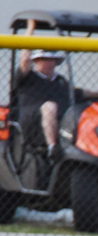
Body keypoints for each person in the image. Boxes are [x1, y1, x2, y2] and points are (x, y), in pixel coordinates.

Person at [14, 20, 72, 159]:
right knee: (50, 107)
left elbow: (82, 93)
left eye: (51, 59)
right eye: (43, 59)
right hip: (33, 122)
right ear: (36, 61)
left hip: (61, 121)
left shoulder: (61, 81)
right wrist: (30, 29)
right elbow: (24, 59)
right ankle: (52, 147)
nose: (48, 62)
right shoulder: (28, 77)